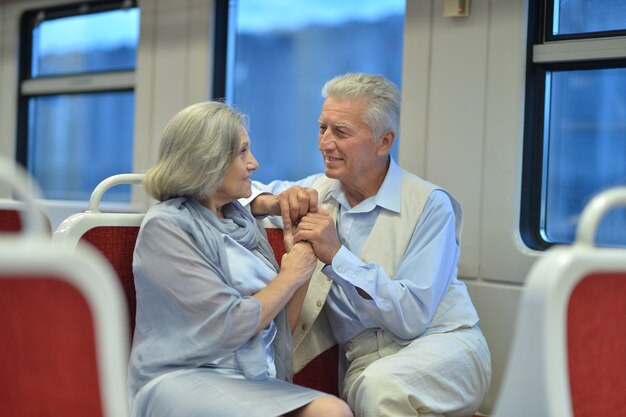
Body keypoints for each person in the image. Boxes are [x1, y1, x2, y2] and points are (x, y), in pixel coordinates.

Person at [247, 73, 492, 417]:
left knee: (380, 390)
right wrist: (275, 202)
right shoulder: (318, 191)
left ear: (384, 141)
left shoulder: (430, 204)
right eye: (322, 128)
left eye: (341, 132)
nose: (324, 143)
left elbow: (410, 319)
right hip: (364, 361)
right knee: (374, 385)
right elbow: (245, 191)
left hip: (442, 346)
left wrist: (336, 256)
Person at [127, 101, 353, 417]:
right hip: (181, 378)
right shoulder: (165, 226)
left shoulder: (241, 221)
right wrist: (289, 275)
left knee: (332, 411)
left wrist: (302, 258)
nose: (254, 163)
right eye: (242, 152)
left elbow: (276, 330)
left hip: (248, 379)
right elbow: (229, 324)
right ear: (207, 161)